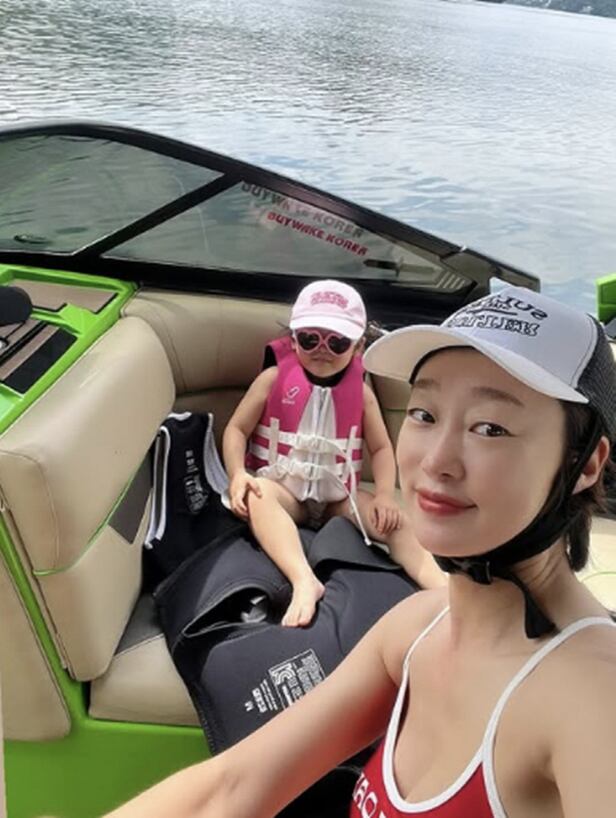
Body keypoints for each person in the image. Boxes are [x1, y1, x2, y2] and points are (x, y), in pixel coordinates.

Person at [105, 285, 616, 818]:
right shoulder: (417, 627)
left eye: (490, 428)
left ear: (585, 463)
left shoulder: (595, 699)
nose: (436, 461)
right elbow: (232, 787)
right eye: (424, 414)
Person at [223, 279, 444, 627]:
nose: (322, 350)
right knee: (258, 495)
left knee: (396, 521)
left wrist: (384, 495)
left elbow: (381, 448)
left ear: (358, 347)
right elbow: (236, 430)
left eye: (338, 342)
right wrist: (238, 475)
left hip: (339, 500)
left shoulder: (363, 395)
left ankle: (442, 589)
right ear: (293, 339)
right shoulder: (272, 379)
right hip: (285, 493)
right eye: (310, 339)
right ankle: (303, 580)